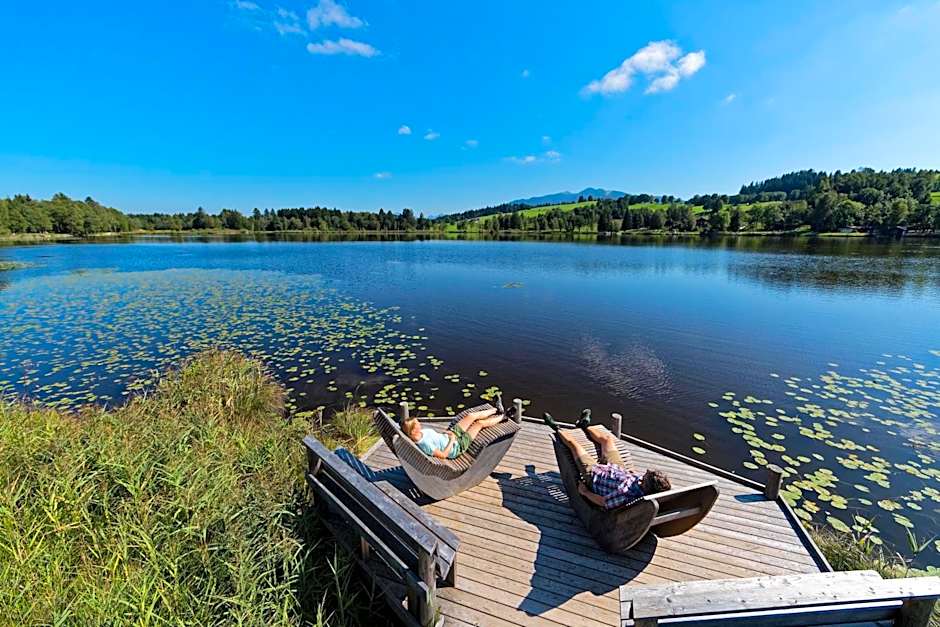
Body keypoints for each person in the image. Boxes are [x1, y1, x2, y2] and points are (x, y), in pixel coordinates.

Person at [545, 413, 671, 509]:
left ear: (646, 484)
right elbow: (638, 478)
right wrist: (631, 474)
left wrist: (585, 492)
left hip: (595, 475)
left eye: (647, 475)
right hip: (618, 469)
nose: (646, 471)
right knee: (607, 440)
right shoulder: (644, 487)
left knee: (574, 445)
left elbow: (603, 502)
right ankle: (584, 425)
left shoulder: (624, 494)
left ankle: (557, 428)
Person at [402, 399, 506, 459]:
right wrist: (452, 440)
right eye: (417, 424)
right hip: (456, 447)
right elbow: (443, 455)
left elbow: (436, 439)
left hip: (449, 437)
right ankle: (503, 417)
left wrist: (446, 434)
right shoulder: (425, 444)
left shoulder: (419, 434)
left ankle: (496, 409)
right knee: (478, 424)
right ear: (413, 431)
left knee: (470, 416)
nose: (420, 423)